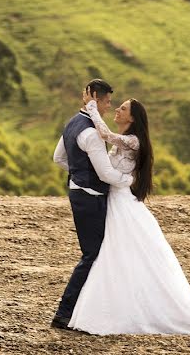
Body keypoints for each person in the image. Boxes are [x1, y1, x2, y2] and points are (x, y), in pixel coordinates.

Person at [58, 85, 190, 335]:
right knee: (112, 254)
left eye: (123, 108)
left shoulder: (133, 140)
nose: (116, 109)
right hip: (112, 199)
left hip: (120, 200)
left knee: (113, 253)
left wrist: (91, 108)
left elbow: (105, 136)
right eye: (114, 105)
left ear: (132, 118)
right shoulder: (108, 135)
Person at [50, 79, 134, 330]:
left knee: (95, 253)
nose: (109, 107)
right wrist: (129, 180)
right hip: (91, 198)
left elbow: (58, 158)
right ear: (95, 99)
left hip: (78, 192)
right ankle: (65, 313)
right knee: (92, 255)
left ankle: (85, 310)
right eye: (107, 101)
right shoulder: (91, 133)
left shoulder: (72, 123)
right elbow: (106, 174)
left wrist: (78, 173)